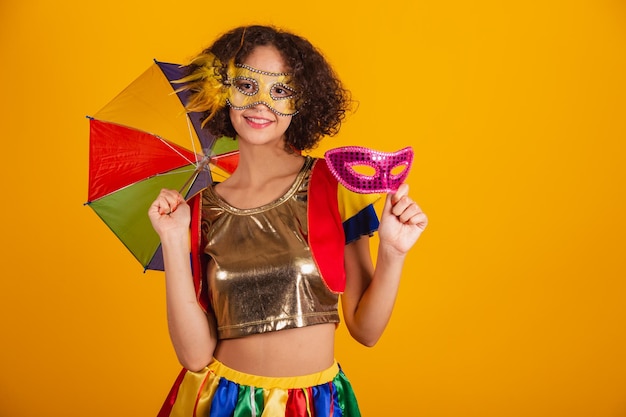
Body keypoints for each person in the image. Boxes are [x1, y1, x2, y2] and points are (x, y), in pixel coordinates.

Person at [148, 25, 428, 417]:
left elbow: (366, 331)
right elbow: (194, 356)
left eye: (280, 90)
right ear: (221, 92)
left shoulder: (335, 185)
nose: (261, 103)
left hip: (315, 405)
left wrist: (394, 253)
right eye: (246, 85)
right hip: (223, 404)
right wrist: (174, 240)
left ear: (304, 100)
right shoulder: (196, 210)